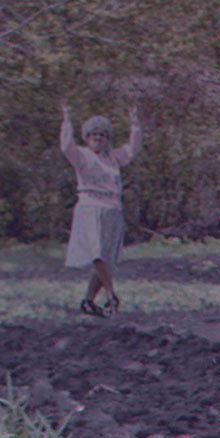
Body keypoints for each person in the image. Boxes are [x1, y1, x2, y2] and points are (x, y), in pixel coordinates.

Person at [59, 102, 142, 316]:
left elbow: (133, 149)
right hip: (89, 206)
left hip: (113, 208)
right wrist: (67, 120)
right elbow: (66, 146)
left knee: (107, 258)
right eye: (94, 134)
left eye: (103, 135)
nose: (99, 138)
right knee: (96, 254)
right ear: (87, 137)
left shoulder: (114, 157)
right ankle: (111, 296)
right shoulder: (82, 156)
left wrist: (134, 125)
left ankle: (88, 301)